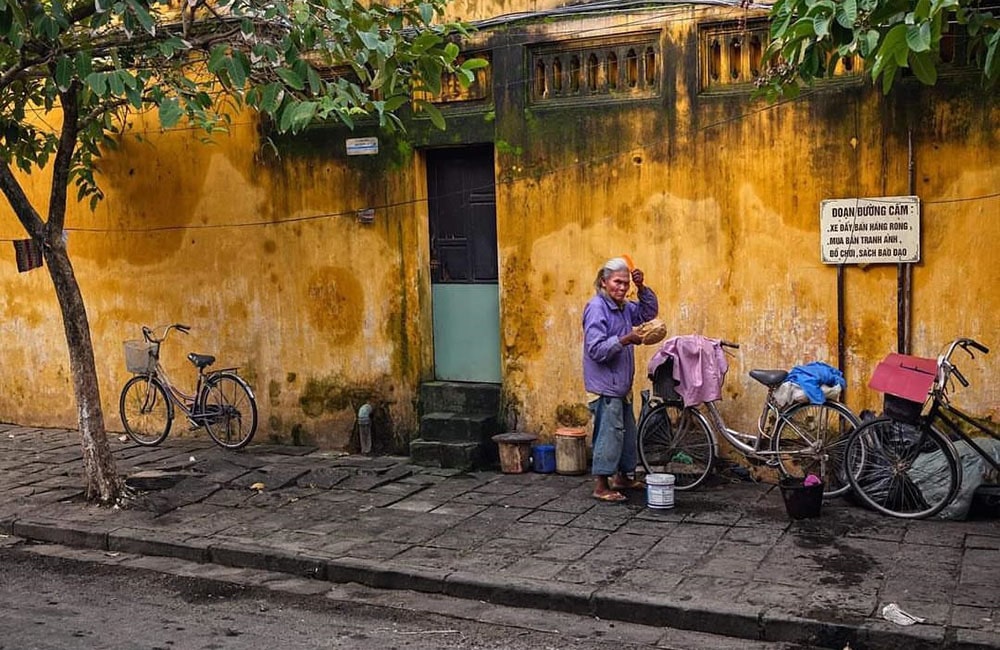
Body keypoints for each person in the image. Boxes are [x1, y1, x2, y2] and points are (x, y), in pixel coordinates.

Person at [582, 257, 659, 502]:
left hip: (621, 385)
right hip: (605, 386)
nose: (623, 288)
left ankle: (622, 478)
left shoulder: (624, 307)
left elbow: (648, 312)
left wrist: (642, 287)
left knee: (626, 435)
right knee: (609, 434)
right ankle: (601, 485)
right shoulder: (597, 308)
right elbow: (596, 349)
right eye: (618, 282)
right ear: (604, 282)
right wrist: (625, 339)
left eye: (626, 283)